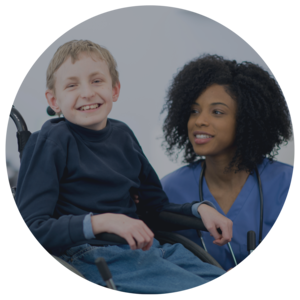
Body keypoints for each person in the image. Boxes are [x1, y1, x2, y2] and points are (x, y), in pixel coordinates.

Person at [14, 41, 233, 295]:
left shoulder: (123, 135)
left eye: (97, 81)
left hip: (149, 248)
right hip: (92, 253)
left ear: (115, 90)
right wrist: (104, 222)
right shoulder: (51, 141)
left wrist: (200, 210)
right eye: (72, 85)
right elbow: (32, 227)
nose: (87, 93)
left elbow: (154, 209)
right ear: (54, 100)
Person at [156, 54, 295, 271]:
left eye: (217, 112)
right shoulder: (169, 190)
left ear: (247, 120)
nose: (199, 120)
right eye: (194, 111)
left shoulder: (285, 184)